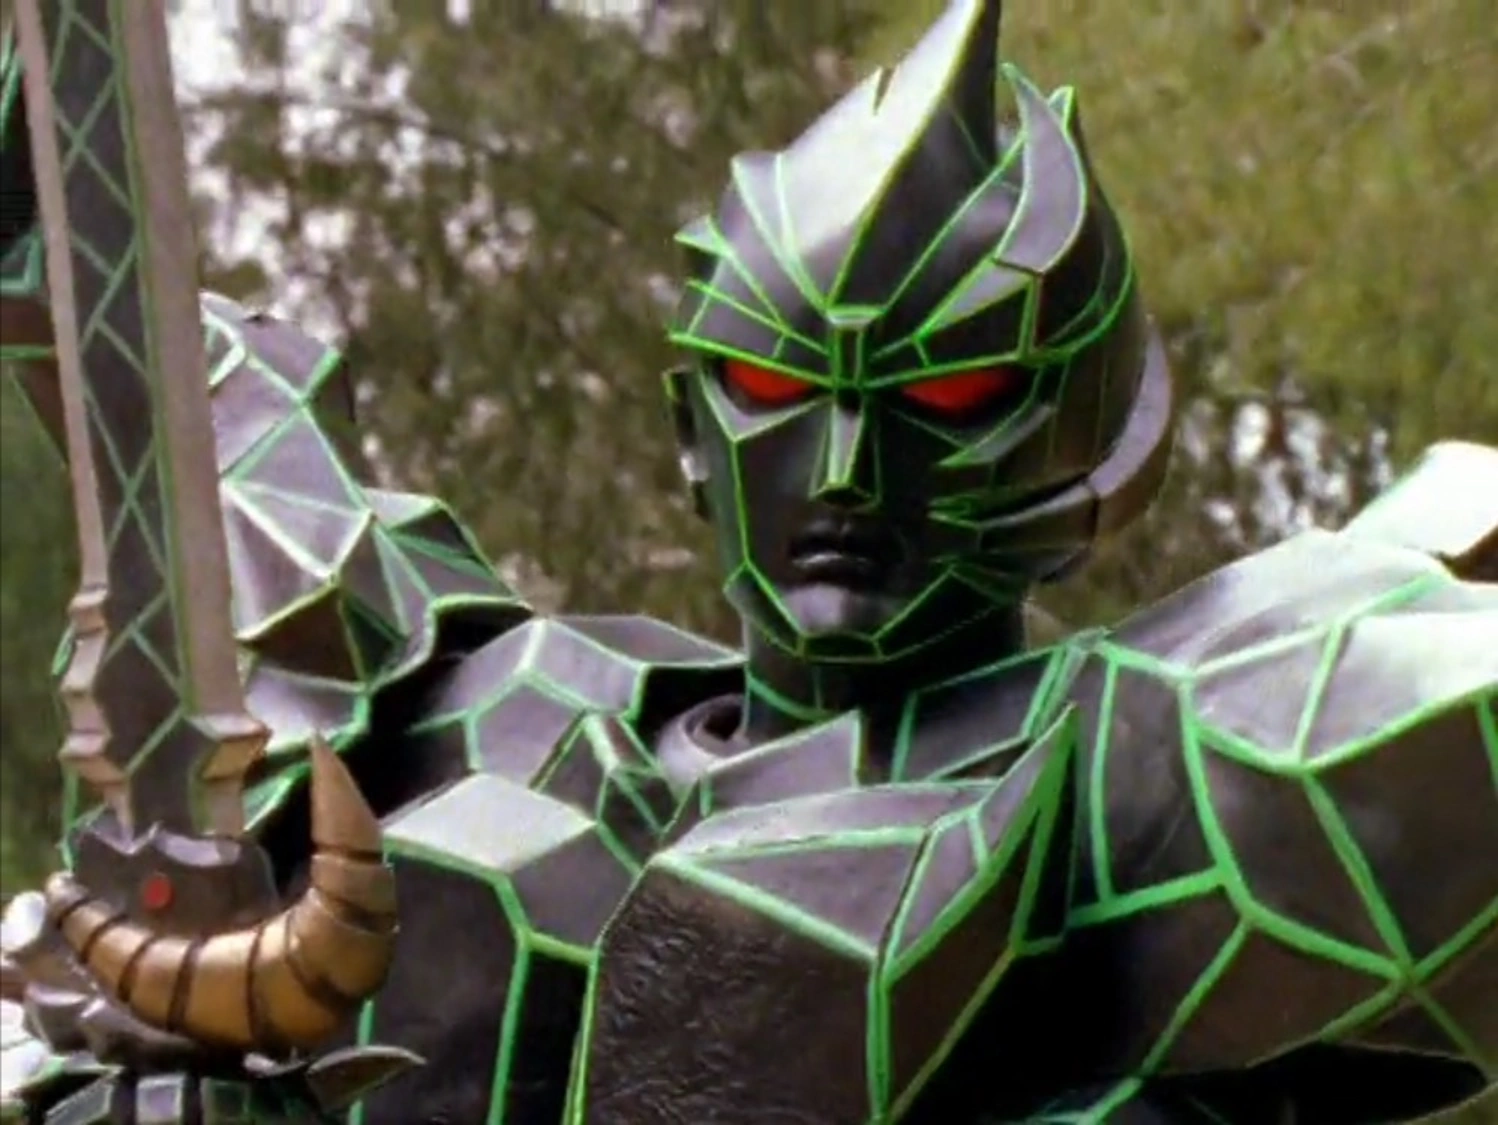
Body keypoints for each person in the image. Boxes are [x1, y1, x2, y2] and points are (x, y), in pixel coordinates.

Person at [2, 1, 1495, 1122]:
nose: (844, 476)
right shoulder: (480, 712)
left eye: (948, 397)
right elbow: (126, 340)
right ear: (691, 419)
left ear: (1091, 440)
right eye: (779, 388)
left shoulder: (1146, 769)